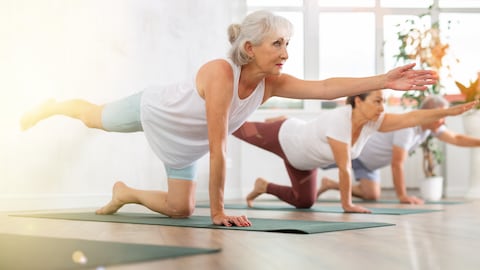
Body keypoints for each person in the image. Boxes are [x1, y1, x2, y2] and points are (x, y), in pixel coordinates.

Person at [20, 10, 438, 226]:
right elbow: (219, 144)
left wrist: (385, 77)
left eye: (288, 43)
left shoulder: (272, 83)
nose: (286, 52)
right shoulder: (221, 74)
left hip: (185, 143)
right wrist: (218, 211)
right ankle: (54, 105)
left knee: (181, 210)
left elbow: (327, 87)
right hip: (156, 110)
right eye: (278, 43)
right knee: (94, 118)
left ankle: (124, 191)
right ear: (251, 47)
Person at [233, 91, 476, 213]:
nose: (382, 107)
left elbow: (412, 116)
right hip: (284, 136)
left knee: (304, 202)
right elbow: (344, 167)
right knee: (234, 127)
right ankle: (207, 111)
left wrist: (448, 113)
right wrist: (347, 204)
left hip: (302, 162)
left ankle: (263, 186)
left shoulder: (374, 122)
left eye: (383, 102)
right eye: (377, 101)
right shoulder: (341, 119)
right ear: (358, 102)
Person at [318, 95, 480, 204]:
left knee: (372, 195)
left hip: (370, 165)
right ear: (429, 114)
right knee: (315, 161)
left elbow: (457, 138)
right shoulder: (407, 127)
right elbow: (397, 163)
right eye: (441, 116)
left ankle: (330, 184)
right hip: (357, 153)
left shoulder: (431, 127)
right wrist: (402, 196)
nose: (443, 122)